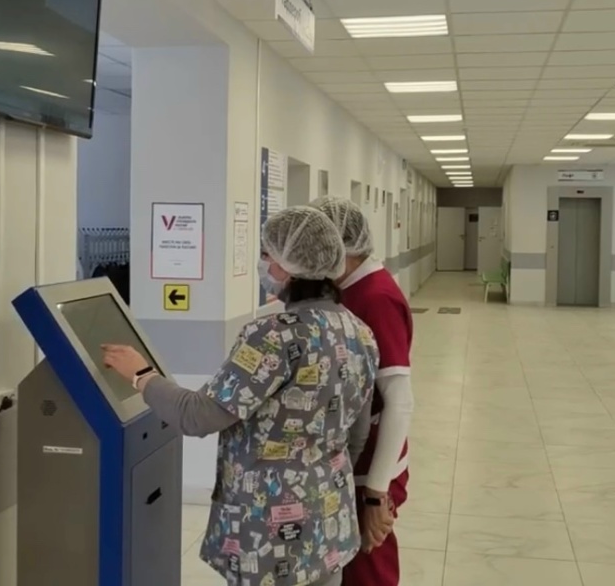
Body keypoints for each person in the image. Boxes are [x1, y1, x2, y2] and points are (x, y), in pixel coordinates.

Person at [102, 206, 379, 586]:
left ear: (288, 267)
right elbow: (358, 434)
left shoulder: (273, 335)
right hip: (329, 522)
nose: (262, 264)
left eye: (266, 254)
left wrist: (141, 375)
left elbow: (198, 415)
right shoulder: (359, 331)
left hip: (269, 537)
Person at [312, 196, 414, 586]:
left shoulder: (376, 298)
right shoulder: (349, 288)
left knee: (368, 568)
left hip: (372, 463)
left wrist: (375, 493)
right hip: (351, 456)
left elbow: (399, 400)